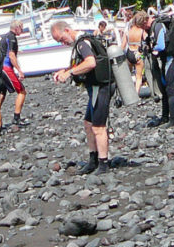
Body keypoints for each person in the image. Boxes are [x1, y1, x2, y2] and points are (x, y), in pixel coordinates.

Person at [51, 20, 114, 174]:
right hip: (95, 87)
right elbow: (82, 63)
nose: (62, 43)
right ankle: (93, 160)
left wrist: (69, 73)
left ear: (67, 30)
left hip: (101, 88)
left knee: (98, 127)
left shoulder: (82, 44)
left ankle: (103, 164)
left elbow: (91, 63)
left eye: (61, 39)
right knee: (88, 123)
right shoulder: (82, 42)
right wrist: (66, 70)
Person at [145, 12, 174, 128]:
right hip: (166, 58)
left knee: (170, 89)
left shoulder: (158, 26)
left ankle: (173, 120)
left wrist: (152, 49)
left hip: (173, 57)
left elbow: (161, 46)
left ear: (145, 22)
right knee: (165, 89)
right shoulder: (153, 27)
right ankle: (165, 117)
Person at [0, 21, 29, 127]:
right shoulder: (12, 38)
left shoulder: (4, 37)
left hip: (0, 68)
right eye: (21, 28)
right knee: (22, 91)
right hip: (6, 68)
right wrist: (19, 70)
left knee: (2, 93)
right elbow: (11, 55)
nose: (22, 30)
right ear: (17, 28)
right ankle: (16, 118)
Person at [122, 11, 148, 96]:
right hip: (138, 53)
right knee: (138, 76)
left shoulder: (128, 31)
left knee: (128, 75)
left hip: (129, 52)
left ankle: (127, 93)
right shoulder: (142, 31)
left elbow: (123, 46)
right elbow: (147, 41)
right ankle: (136, 94)